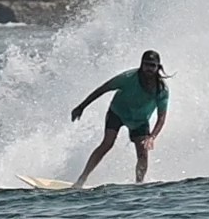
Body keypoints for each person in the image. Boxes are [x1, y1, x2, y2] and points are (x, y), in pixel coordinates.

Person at [69, 49, 170, 187]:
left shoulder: (162, 89)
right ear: (141, 64)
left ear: (158, 67)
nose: (149, 68)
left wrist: (152, 137)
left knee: (143, 153)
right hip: (117, 113)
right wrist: (81, 106)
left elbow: (161, 118)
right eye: (146, 64)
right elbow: (102, 89)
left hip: (139, 121)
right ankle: (82, 179)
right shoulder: (127, 78)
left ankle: (139, 185)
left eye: (152, 65)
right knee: (107, 143)